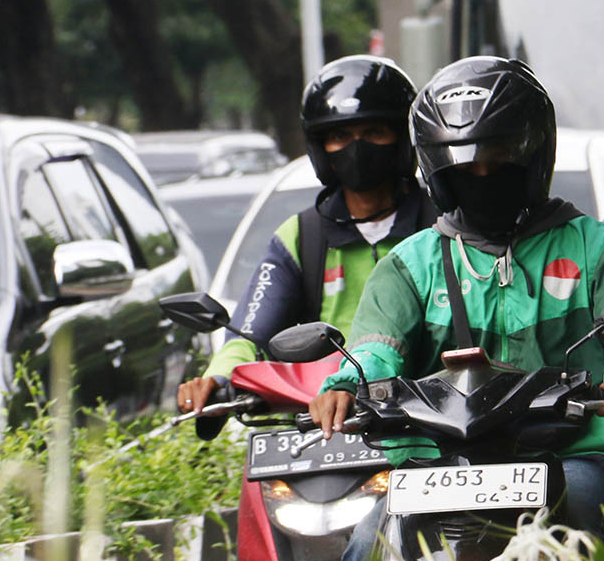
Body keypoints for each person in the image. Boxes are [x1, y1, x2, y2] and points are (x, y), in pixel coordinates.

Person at [307, 56, 604, 561]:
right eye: (464, 166)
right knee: (366, 552)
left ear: (532, 155)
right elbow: (375, 348)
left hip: (568, 457)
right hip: (436, 467)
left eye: (497, 158)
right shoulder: (409, 266)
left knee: (588, 533)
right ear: (437, 170)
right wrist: (346, 385)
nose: (481, 176)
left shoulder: (602, 252)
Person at [177, 55, 435, 414]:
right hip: (325, 420)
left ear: (403, 139)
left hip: (429, 414)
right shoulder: (302, 237)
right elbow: (251, 331)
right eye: (340, 136)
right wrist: (218, 377)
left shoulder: (440, 224)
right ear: (319, 146)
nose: (357, 148)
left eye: (374, 132)